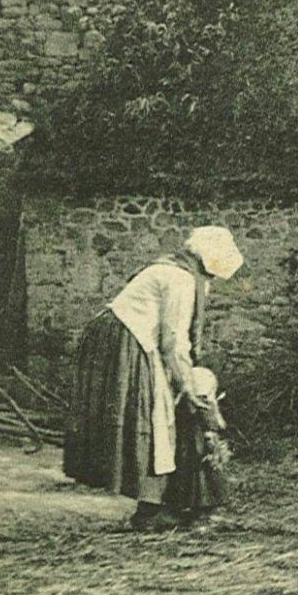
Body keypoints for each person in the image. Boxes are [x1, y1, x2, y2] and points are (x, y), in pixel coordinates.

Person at [62, 225, 245, 530]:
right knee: (155, 415)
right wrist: (188, 388)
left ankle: (155, 504)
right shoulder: (181, 279)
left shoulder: (174, 266)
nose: (210, 283)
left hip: (116, 336)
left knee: (158, 413)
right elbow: (173, 343)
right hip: (126, 340)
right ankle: (150, 511)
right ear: (207, 261)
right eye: (212, 276)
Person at [162, 366, 231, 523]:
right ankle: (205, 508)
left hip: (189, 449)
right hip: (203, 450)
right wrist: (216, 427)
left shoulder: (185, 405)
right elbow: (213, 425)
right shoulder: (204, 406)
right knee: (204, 477)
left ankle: (187, 504)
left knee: (189, 475)